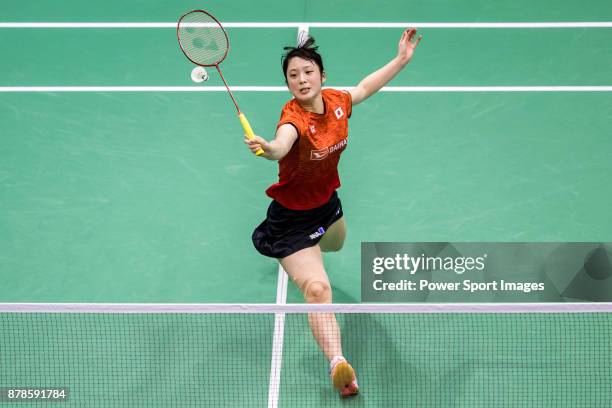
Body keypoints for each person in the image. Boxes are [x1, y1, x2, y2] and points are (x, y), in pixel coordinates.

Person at [245, 28, 422, 398]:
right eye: (293, 75)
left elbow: (363, 88)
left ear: (321, 76)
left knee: (336, 245)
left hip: (327, 204)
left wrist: (402, 60)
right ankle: (338, 364)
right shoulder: (292, 118)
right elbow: (281, 145)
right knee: (317, 288)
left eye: (307, 72)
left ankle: (313, 253)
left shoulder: (337, 101)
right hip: (292, 221)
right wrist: (269, 148)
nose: (301, 80)